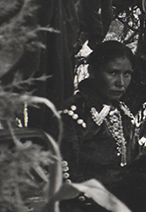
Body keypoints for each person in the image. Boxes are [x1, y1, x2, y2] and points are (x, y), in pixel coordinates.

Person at [60, 40, 141, 184]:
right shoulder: (75, 112)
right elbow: (68, 175)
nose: (120, 83)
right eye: (113, 73)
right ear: (92, 71)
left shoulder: (124, 114)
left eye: (127, 74)